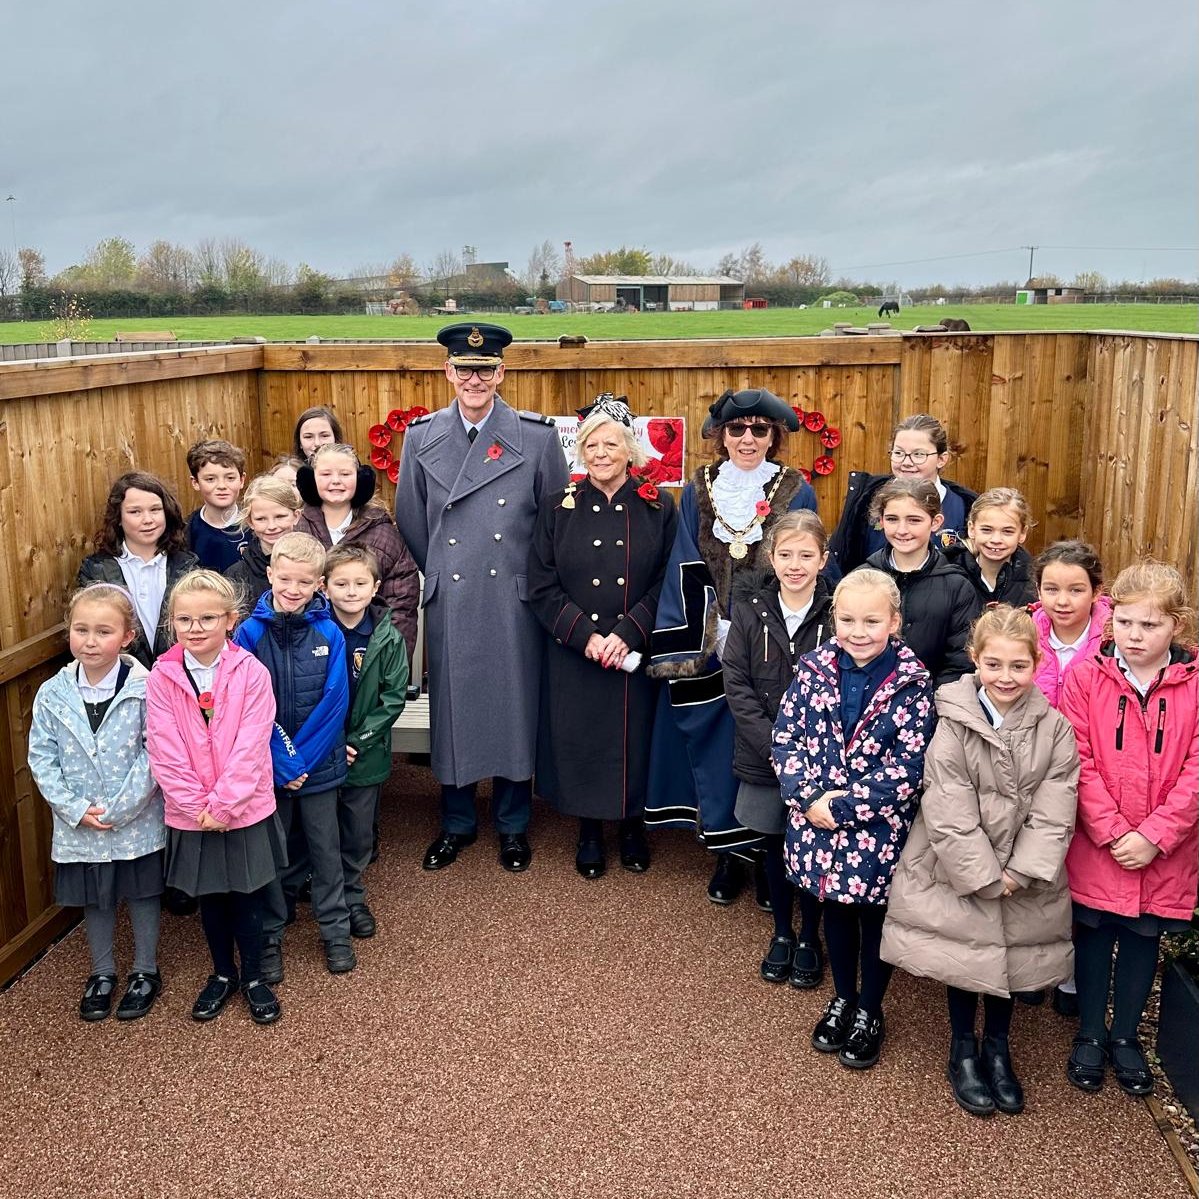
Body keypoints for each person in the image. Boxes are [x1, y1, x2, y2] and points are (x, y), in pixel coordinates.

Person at [881, 605, 1079, 1117]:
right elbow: (946, 801)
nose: (1005, 677)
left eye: (1018, 666)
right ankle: (962, 1047)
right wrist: (983, 875)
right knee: (964, 956)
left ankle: (997, 1045)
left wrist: (1020, 871)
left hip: (1024, 872)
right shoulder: (952, 720)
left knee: (1009, 959)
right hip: (959, 866)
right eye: (994, 665)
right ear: (975, 661)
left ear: (1036, 664)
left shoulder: (1054, 729)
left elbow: (1057, 803)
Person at [394, 323, 568, 873]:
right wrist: (446, 569)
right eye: (464, 370)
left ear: (501, 373)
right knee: (454, 708)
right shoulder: (421, 438)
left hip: (512, 598)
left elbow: (551, 528)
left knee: (515, 707)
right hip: (455, 596)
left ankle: (514, 825)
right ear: (448, 371)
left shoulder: (537, 438)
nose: (475, 379)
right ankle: (458, 822)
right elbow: (411, 520)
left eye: (485, 370)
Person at [646, 387, 818, 907]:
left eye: (759, 430)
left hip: (769, 639)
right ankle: (727, 852)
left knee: (765, 746)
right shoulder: (698, 488)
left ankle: (769, 857)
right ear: (721, 435)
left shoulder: (796, 489)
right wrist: (707, 627)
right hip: (711, 636)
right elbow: (682, 558)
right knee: (720, 745)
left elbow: (802, 557)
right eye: (736, 429)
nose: (747, 439)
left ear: (775, 437)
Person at [773, 568, 935, 1070]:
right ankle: (843, 996)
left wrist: (843, 807)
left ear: (894, 622)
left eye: (870, 620)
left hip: (876, 829)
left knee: (874, 916)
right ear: (833, 618)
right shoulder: (813, 669)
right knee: (835, 911)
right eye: (846, 619)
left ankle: (870, 1008)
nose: (857, 631)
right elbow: (785, 739)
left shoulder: (912, 685)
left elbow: (908, 768)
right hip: (814, 820)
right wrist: (808, 798)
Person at [1060, 562, 1197, 1099]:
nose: (1134, 636)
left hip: (1165, 848)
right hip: (1101, 841)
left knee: (1143, 939)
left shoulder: (1192, 684)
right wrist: (1115, 831)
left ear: (1177, 627)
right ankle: (1090, 1033)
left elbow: (1195, 771)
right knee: (1094, 933)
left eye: (1149, 625)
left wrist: (1156, 835)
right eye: (1125, 622)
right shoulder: (1087, 677)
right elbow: (1077, 757)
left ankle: (1125, 1037)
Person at [527, 395, 677, 878]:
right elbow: (541, 583)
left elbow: (669, 579)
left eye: (611, 443)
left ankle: (633, 827)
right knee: (583, 736)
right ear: (580, 452)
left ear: (630, 451)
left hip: (634, 647)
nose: (600, 452)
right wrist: (585, 636)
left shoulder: (658, 507)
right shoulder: (558, 508)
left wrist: (630, 632)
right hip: (577, 649)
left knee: (634, 738)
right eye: (591, 444)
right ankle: (589, 830)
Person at [145, 571, 284, 1025]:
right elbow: (164, 748)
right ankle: (223, 974)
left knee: (246, 895)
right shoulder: (162, 678)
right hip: (193, 813)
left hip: (242, 807)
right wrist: (196, 806)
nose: (196, 627)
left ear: (230, 620)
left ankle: (255, 977)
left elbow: (251, 745)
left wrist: (223, 805)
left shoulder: (252, 674)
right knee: (212, 898)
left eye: (207, 617)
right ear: (172, 624)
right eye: (184, 619)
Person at [28, 584, 165, 1022]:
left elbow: (155, 750)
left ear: (126, 637)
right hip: (80, 823)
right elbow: (41, 757)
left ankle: (145, 970)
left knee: (143, 892)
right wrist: (74, 808)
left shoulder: (147, 688)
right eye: (81, 630)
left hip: (136, 817)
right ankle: (102, 972)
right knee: (97, 897)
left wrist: (122, 807)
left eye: (103, 631)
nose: (90, 640)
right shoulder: (52, 693)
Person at [232, 532, 353, 978]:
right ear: (270, 574)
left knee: (326, 851)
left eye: (304, 582)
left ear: (319, 583)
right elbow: (245, 707)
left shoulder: (329, 631)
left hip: (319, 767)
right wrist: (282, 763)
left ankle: (335, 932)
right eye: (285, 578)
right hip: (269, 771)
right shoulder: (248, 633)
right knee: (275, 855)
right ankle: (270, 938)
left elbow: (335, 701)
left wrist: (299, 762)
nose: (293, 589)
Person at [723, 511, 833, 986]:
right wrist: (775, 746)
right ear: (771, 557)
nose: (795, 564)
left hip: (818, 760)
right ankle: (782, 932)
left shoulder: (835, 611)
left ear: (823, 560)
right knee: (772, 843)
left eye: (806, 555)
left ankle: (811, 935)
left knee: (810, 845)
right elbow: (738, 682)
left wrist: (806, 752)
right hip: (765, 756)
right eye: (785, 555)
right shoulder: (751, 609)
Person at [1030, 539, 1110, 1017]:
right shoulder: (1026, 634)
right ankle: (1034, 967)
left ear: (1096, 592)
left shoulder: (1111, 642)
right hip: (1035, 775)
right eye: (1052, 589)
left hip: (1090, 775)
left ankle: (1074, 975)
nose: (1063, 601)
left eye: (1076, 589)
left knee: (1079, 878)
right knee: (1038, 874)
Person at [324, 545, 410, 937]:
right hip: (322, 749)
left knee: (358, 830)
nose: (351, 591)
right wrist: (332, 740)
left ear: (375, 587)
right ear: (324, 587)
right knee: (321, 826)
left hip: (366, 752)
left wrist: (358, 740)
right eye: (341, 583)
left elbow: (393, 697)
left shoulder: (387, 637)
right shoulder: (317, 630)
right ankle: (319, 892)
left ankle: (353, 896)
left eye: (360, 583)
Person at [295, 443, 419, 663]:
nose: (335, 480)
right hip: (310, 657)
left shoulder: (384, 533)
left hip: (369, 655)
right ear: (311, 478)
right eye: (325, 474)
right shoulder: (297, 527)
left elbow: (402, 604)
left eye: (345, 473)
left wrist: (392, 662)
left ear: (360, 479)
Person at [861, 478, 981, 686]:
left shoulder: (957, 586)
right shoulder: (862, 579)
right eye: (892, 519)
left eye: (914, 520)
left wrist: (927, 704)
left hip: (932, 706)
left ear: (935, 522)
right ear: (881, 521)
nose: (902, 529)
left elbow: (960, 663)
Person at [828, 413, 977, 576]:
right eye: (898, 453)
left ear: (941, 459)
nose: (906, 462)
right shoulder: (865, 500)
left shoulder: (963, 506)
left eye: (919, 454)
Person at [77, 472, 199, 669]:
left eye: (155, 509)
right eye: (135, 512)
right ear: (118, 517)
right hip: (124, 680)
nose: (148, 519)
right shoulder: (97, 571)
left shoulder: (187, 566)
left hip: (179, 677)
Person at [225, 474, 303, 620]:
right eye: (261, 519)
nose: (272, 526)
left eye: (280, 516)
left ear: (296, 516)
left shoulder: (314, 564)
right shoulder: (237, 575)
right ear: (250, 522)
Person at [944, 487, 1037, 607]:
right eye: (986, 530)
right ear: (971, 529)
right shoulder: (947, 575)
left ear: (1022, 533)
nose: (996, 540)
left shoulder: (1036, 582)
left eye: (1007, 531)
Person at [185, 439, 250, 572]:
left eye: (230, 478)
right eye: (210, 479)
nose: (221, 486)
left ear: (242, 480)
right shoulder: (186, 532)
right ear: (195, 482)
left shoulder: (255, 525)